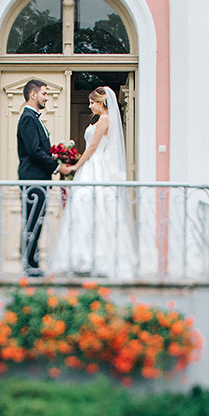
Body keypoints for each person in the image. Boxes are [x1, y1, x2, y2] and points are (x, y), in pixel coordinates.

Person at [48, 86, 136, 278]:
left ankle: (96, 258)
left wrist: (75, 166)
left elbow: (93, 146)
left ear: (102, 102)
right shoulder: (100, 120)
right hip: (91, 165)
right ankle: (82, 257)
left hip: (96, 166)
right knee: (84, 209)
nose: (90, 106)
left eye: (92, 102)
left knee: (91, 206)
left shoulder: (105, 119)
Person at [17, 79, 72, 276]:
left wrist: (54, 156)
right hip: (33, 179)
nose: (46, 97)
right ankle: (30, 265)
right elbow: (33, 151)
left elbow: (39, 150)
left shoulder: (33, 118)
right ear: (33, 95)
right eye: (44, 93)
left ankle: (32, 261)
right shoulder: (28, 118)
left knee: (36, 220)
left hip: (39, 178)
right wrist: (57, 167)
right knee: (32, 220)